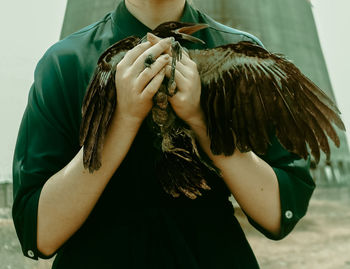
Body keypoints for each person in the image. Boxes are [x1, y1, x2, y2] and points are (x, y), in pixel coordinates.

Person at [12, 0, 315, 268]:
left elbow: (279, 211)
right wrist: (121, 122)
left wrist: (203, 121)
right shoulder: (66, 63)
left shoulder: (242, 55)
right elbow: (39, 232)